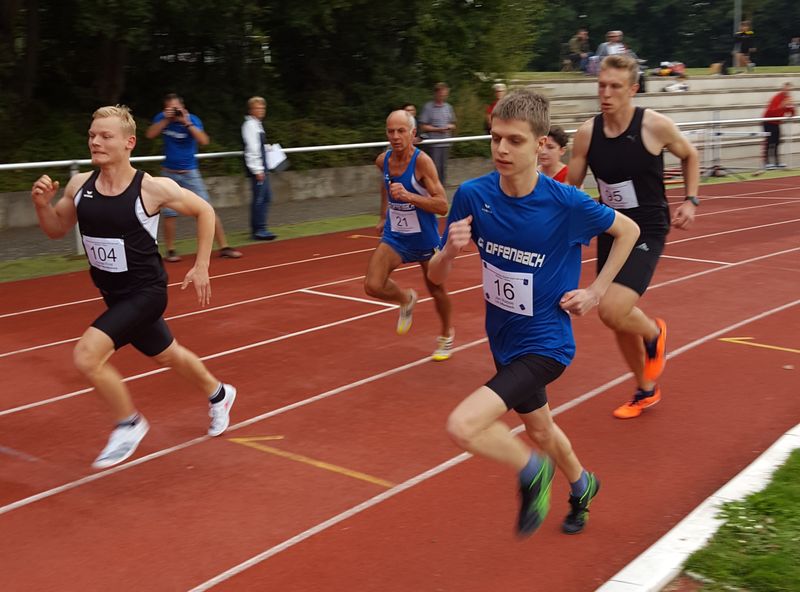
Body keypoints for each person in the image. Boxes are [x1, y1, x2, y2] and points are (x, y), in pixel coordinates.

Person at [428, 89, 639, 537]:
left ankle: (533, 471)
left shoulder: (566, 203)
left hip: (546, 346)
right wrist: (448, 251)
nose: (502, 149)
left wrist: (596, 291)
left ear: (541, 143)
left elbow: (628, 230)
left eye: (515, 140)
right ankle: (582, 485)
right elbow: (436, 275)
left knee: (463, 426)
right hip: (504, 340)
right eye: (495, 138)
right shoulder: (473, 195)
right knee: (541, 430)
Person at [30, 105, 237, 469]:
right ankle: (219, 393)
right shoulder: (80, 186)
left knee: (87, 356)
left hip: (147, 293)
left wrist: (202, 265)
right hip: (113, 294)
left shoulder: (152, 189)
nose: (95, 142)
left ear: (129, 143)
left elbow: (204, 210)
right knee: (167, 354)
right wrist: (41, 205)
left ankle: (128, 423)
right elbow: (56, 229)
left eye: (105, 136)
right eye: (92, 135)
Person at [567, 54, 700, 419]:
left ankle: (654, 332)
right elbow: (571, 189)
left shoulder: (654, 126)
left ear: (633, 90)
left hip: (648, 227)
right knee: (614, 319)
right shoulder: (588, 133)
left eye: (615, 87)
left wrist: (690, 200)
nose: (606, 94)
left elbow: (690, 155)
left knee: (612, 308)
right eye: (601, 86)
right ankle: (645, 389)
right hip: (612, 226)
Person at [364, 109, 455, 361]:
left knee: (436, 289)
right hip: (396, 236)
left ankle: (446, 334)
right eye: (391, 131)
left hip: (424, 237)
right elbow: (386, 186)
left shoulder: (422, 162)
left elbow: (442, 205)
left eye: (401, 131)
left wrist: (409, 196)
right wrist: (383, 215)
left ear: (413, 133)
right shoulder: (383, 161)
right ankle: (405, 299)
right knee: (372, 285)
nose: (395, 136)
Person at [145, 93, 242, 262]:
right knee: (169, 213)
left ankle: (224, 246)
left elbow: (204, 141)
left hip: (190, 173)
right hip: (169, 172)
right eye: (170, 108)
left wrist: (187, 123)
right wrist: (166, 120)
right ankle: (171, 250)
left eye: (176, 108)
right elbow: (150, 134)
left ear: (182, 107)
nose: (174, 111)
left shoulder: (193, 120)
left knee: (207, 209)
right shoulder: (162, 118)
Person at [242, 96, 278, 240]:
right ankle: (258, 230)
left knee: (265, 197)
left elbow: (259, 146)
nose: (261, 110)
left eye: (263, 108)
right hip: (259, 169)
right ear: (251, 110)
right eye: (258, 108)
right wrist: (257, 169)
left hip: (263, 167)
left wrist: (269, 149)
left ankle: (261, 227)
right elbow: (252, 149)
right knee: (260, 198)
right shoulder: (250, 125)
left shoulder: (257, 124)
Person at [418, 82, 457, 185]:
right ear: (436, 93)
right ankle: (432, 188)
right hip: (433, 144)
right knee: (434, 168)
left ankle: (442, 188)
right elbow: (423, 126)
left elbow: (453, 124)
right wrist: (438, 129)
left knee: (443, 168)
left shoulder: (448, 107)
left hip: (446, 143)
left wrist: (449, 127)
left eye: (445, 94)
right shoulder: (428, 107)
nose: (443, 96)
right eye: (441, 94)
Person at [762, 82, 796, 169]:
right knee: (769, 142)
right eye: (786, 90)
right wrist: (782, 105)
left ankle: (777, 162)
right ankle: (766, 162)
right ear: (783, 89)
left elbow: (792, 113)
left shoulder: (788, 98)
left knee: (777, 142)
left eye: (789, 90)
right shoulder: (777, 97)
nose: (787, 92)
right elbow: (771, 112)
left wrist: (792, 107)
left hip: (776, 123)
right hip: (768, 121)